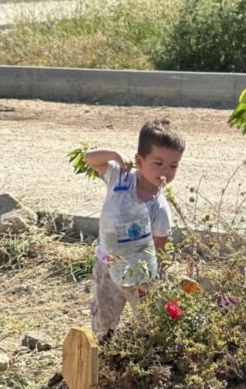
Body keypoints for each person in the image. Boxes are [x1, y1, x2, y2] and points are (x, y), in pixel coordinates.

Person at [84, 119, 185, 341]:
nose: (165, 172)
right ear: (139, 160)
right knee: (103, 316)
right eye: (158, 163)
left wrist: (145, 274)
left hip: (139, 274)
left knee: (149, 317)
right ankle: (102, 353)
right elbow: (89, 158)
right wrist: (114, 155)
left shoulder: (159, 207)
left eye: (173, 166)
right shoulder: (119, 177)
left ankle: (148, 352)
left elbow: (158, 245)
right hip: (107, 264)